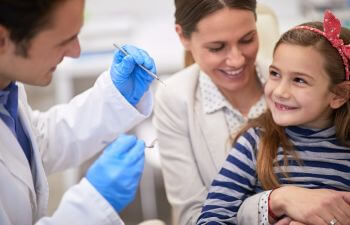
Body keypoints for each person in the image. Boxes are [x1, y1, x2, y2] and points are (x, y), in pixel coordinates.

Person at [0, 0, 157, 224]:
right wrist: (92, 204)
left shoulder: (6, 87)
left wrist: (115, 98)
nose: (76, 52)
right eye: (64, 41)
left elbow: (34, 142)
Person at [197, 10, 350, 225]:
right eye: (275, 74)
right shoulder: (255, 142)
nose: (279, 91)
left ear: (339, 95)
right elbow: (212, 217)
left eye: (299, 80)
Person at [152, 0, 271, 224]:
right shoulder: (174, 99)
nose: (236, 59)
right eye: (217, 48)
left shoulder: (291, 85)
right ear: (183, 37)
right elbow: (192, 216)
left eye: (247, 39)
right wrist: (271, 205)